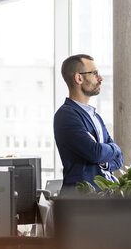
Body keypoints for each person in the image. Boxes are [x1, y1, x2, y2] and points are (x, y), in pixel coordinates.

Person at [53, 54, 123, 194]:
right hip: (81, 202)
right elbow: (95, 153)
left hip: (102, 199)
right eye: (94, 73)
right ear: (79, 78)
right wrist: (111, 148)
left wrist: (106, 157)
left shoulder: (96, 117)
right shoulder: (66, 115)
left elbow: (119, 159)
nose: (100, 78)